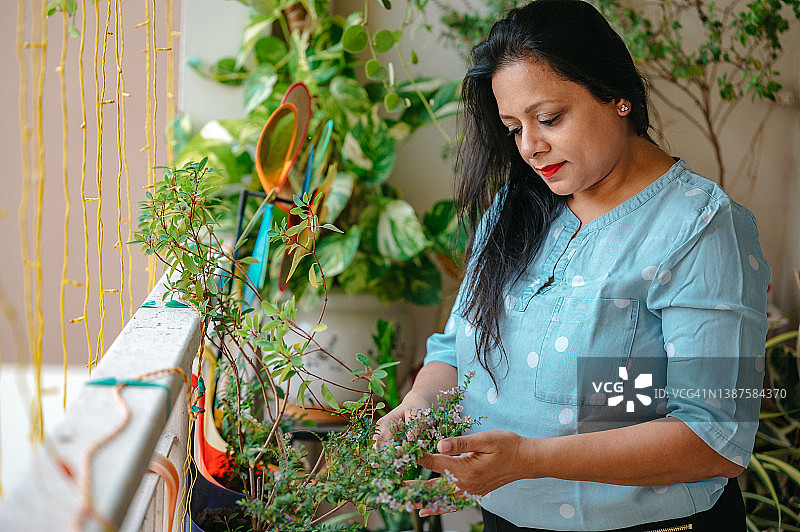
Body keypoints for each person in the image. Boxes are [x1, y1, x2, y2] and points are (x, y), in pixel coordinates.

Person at [374, 0, 770, 530]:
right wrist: (418, 408)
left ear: (615, 95)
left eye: (549, 119)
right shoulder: (511, 212)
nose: (531, 148)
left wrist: (528, 460)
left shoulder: (700, 227)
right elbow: (454, 349)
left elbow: (714, 437)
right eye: (514, 128)